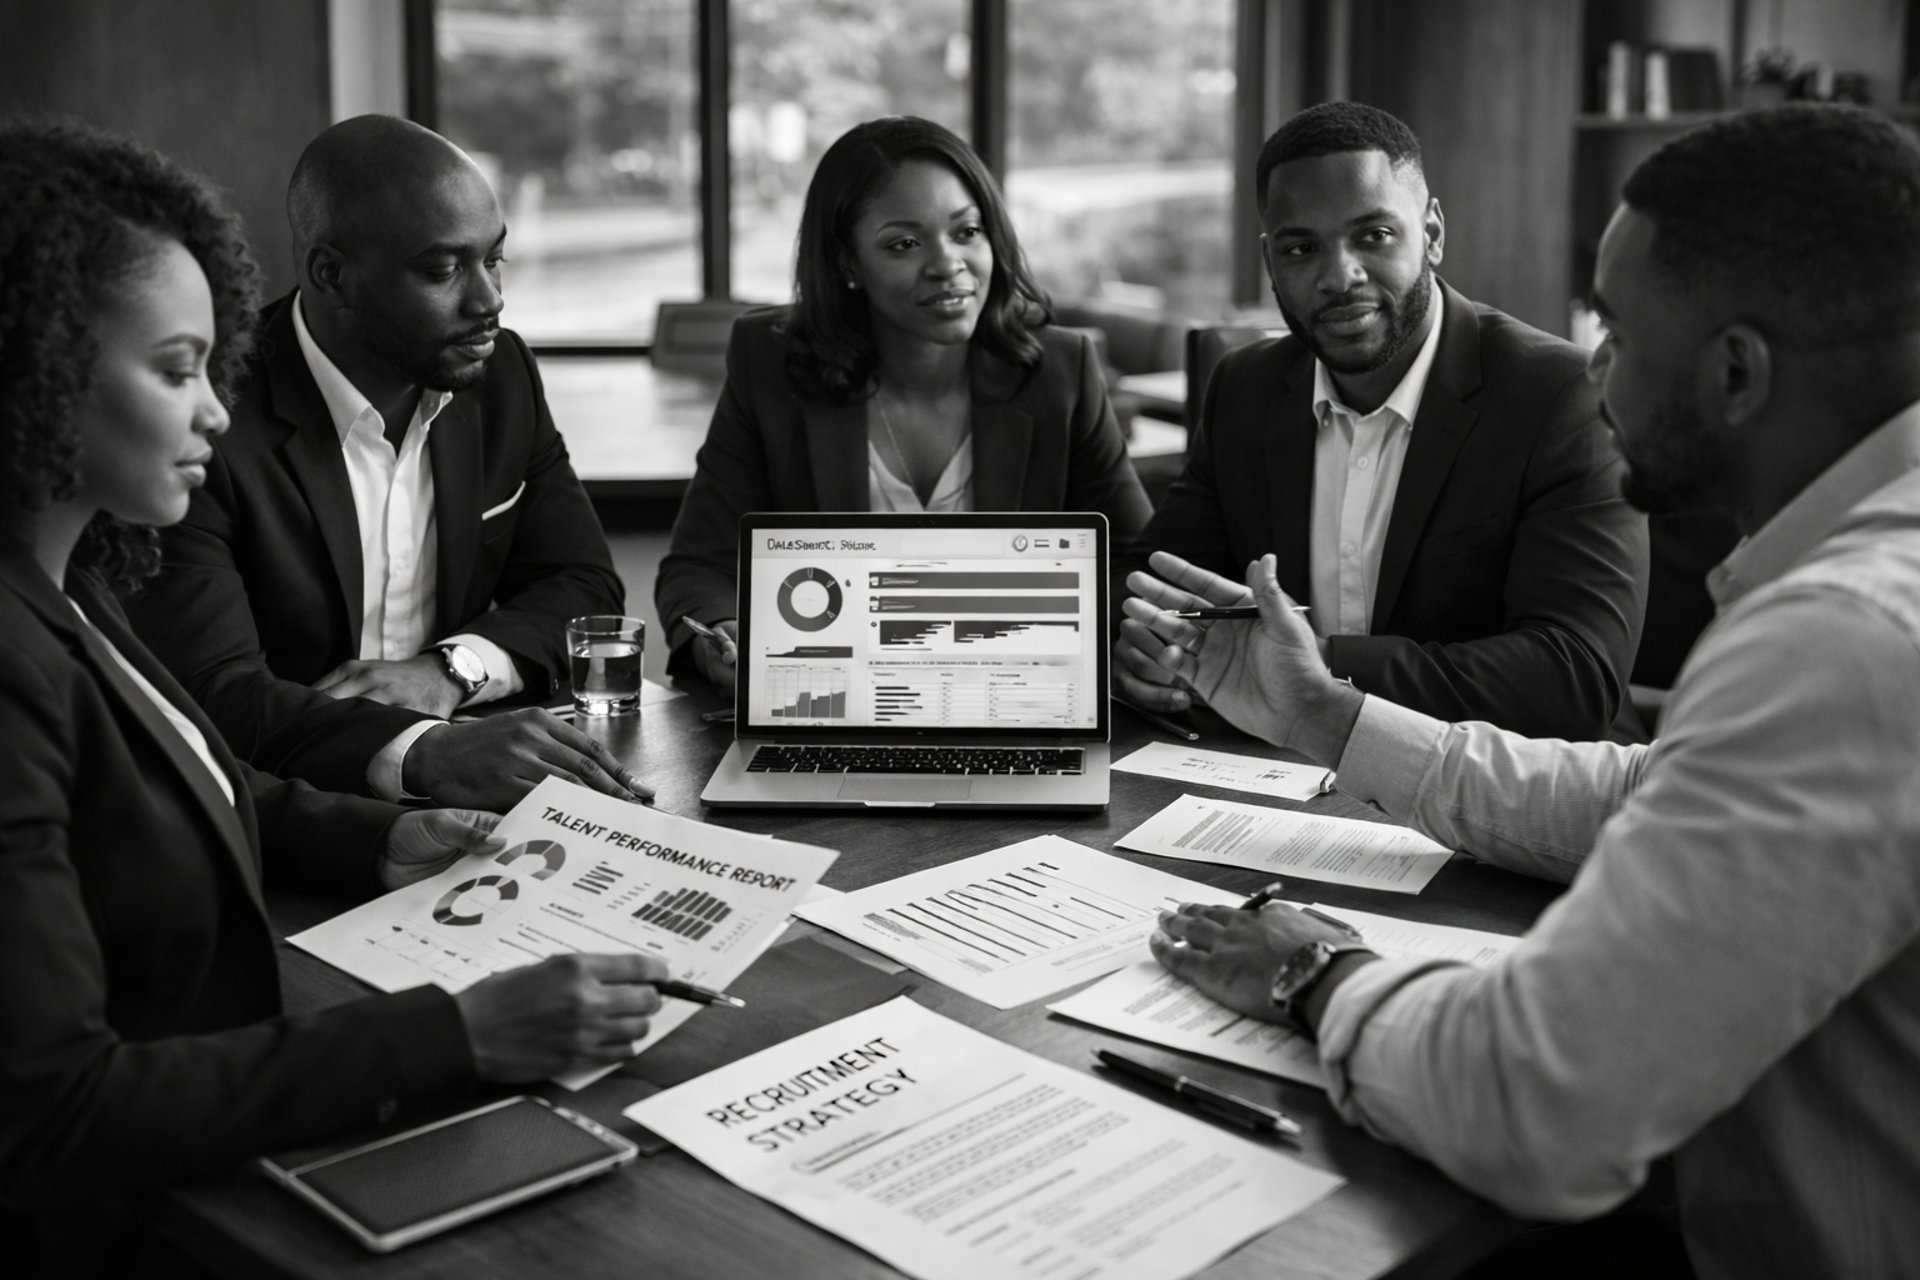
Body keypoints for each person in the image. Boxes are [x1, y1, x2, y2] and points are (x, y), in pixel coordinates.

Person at [1129, 104, 1920, 1279]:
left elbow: (1535, 1109)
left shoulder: (1840, 640)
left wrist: (1311, 970)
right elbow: (1648, 788)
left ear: (1736, 371)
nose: (1594, 360)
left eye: (1616, 328)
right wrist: (1323, 717)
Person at [0, 119, 667, 1273]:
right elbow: (53, 1106)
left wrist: (386, 836)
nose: (213, 407)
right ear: (39, 370)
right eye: (176, 370)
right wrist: (458, 1032)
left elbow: (186, 780)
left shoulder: (76, 579)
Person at [120, 114, 646, 810]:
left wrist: (451, 671)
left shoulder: (501, 375)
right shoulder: (209, 416)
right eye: (443, 269)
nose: (489, 300)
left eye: (494, 259)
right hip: (280, 814)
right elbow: (211, 691)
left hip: (476, 787)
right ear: (332, 276)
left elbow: (582, 585)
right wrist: (421, 751)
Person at [1117, 102, 1646, 740]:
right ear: (1270, 262)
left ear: (1433, 232)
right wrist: (1143, 645)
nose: (1340, 276)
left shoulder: (1562, 396)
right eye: (1302, 247)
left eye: (1374, 235)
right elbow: (1151, 584)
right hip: (1280, 783)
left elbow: (1572, 675)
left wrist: (1312, 666)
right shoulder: (1245, 388)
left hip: (1516, 794)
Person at [655, 116, 1153, 684]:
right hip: (836, 705)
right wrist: (723, 632)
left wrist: (1124, 647)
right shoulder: (772, 365)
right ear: (847, 264)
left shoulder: (1060, 372)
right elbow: (699, 567)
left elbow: (1133, 565)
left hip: (1015, 704)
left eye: (966, 232)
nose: (947, 264)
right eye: (905, 244)